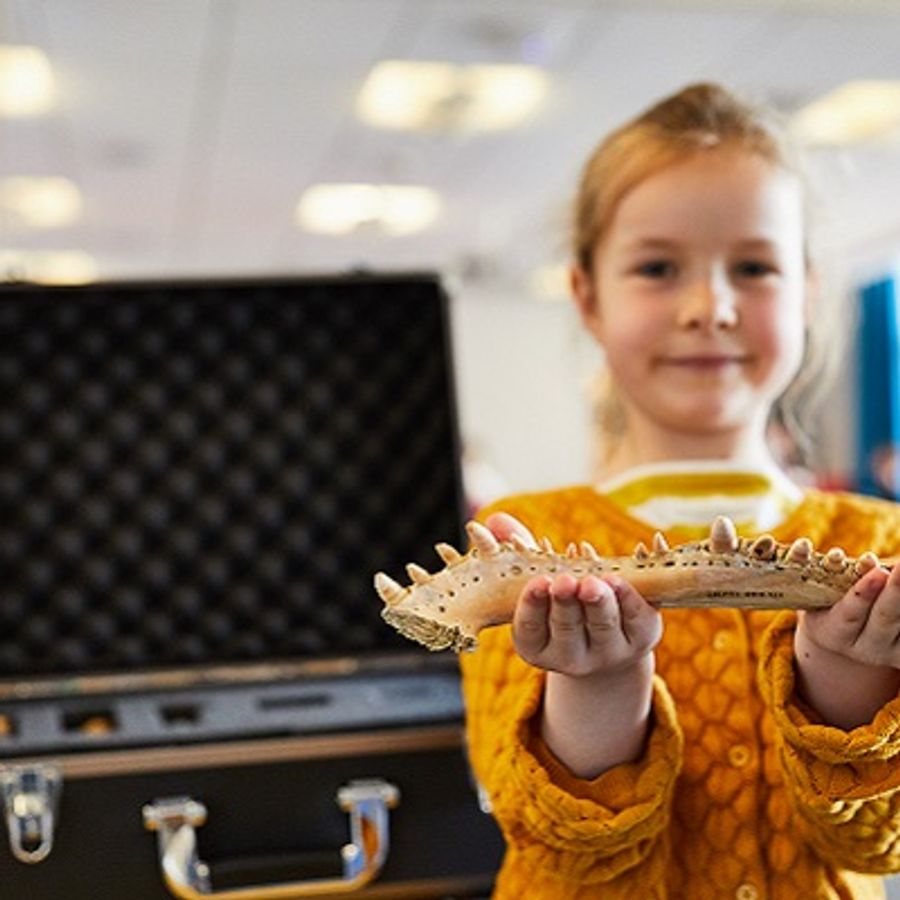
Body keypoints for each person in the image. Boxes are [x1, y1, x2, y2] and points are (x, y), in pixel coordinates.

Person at [460, 83, 900, 899]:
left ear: (805, 292)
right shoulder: (525, 541)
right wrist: (596, 686)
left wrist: (844, 678)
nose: (711, 308)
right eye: (659, 268)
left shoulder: (880, 546)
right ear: (588, 295)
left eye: (755, 267)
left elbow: (878, 846)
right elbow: (554, 854)